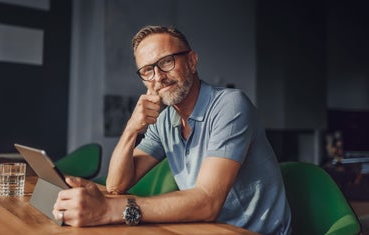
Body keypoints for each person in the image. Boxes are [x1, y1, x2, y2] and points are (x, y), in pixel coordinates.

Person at [53, 25, 292, 234]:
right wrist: (131, 130)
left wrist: (109, 209)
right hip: (202, 229)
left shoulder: (230, 105)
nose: (158, 77)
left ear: (192, 61)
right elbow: (117, 185)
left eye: (167, 62)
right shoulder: (166, 120)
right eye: (147, 70)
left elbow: (208, 201)